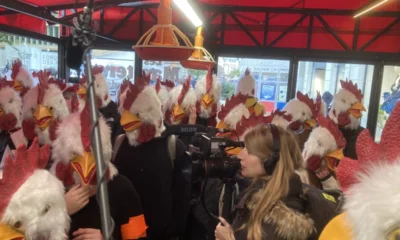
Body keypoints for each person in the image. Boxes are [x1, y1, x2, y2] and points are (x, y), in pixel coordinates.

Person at [215, 124, 338, 240]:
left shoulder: (283, 215)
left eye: (250, 152)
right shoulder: (263, 192)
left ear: (271, 161)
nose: (240, 156)